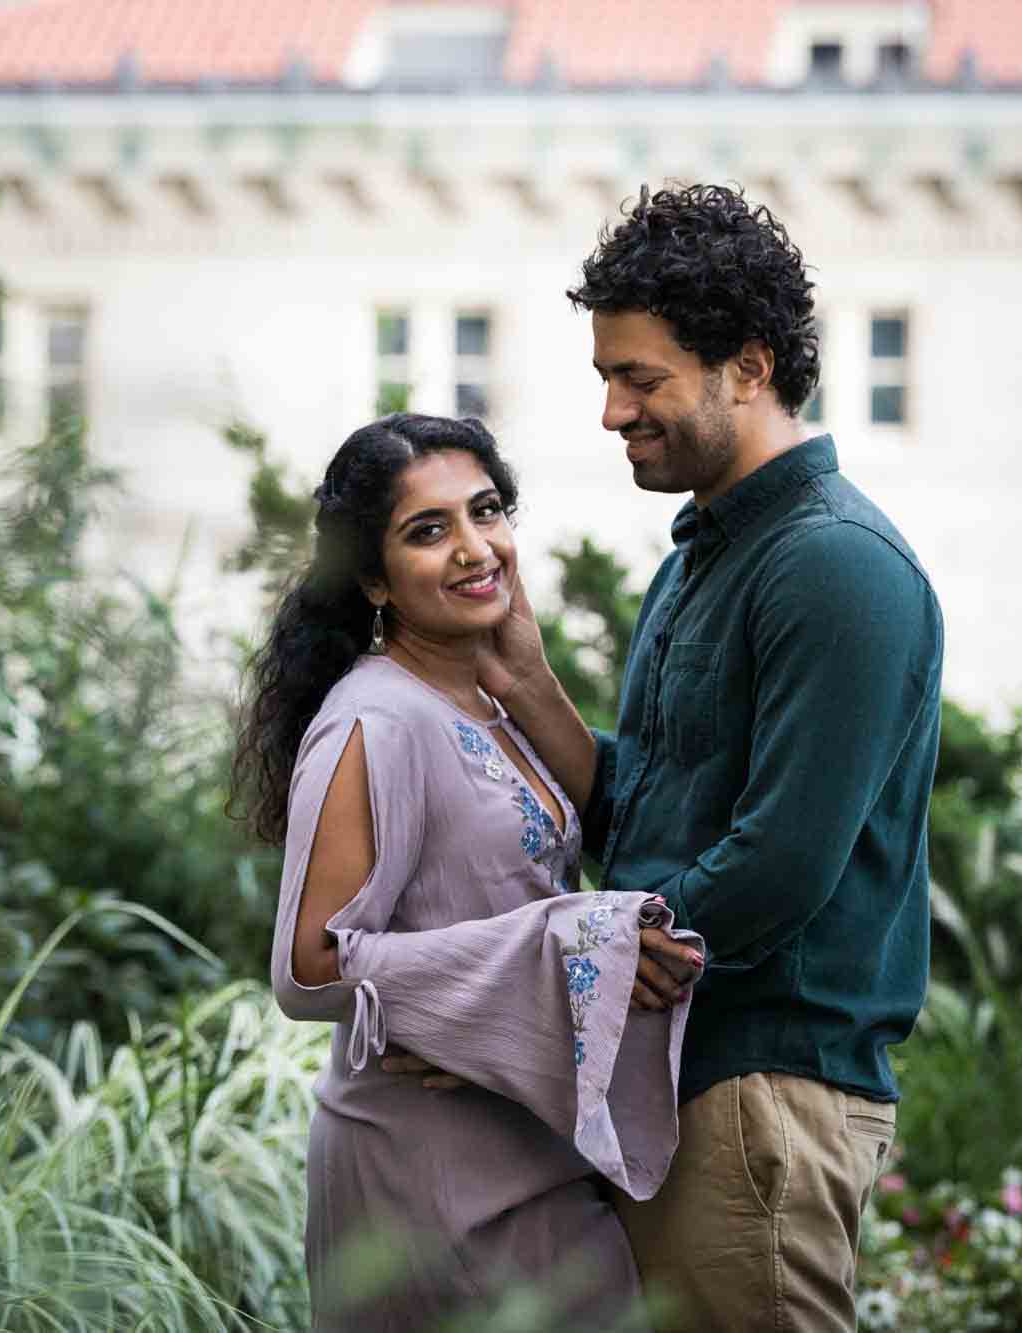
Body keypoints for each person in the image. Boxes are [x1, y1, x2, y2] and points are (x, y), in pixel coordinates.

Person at [477, 184, 946, 1331]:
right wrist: (525, 682)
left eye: (640, 379)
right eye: (604, 378)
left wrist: (587, 949)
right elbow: (640, 810)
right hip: (688, 1084)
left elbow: (777, 864)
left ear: (746, 364)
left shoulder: (833, 565)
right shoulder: (697, 561)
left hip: (762, 1090)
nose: (611, 412)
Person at [232, 412, 705, 1332]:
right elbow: (307, 968)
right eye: (428, 530)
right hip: (422, 1169)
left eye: (486, 512)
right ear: (372, 576)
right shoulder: (375, 721)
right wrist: (550, 949)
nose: (472, 548)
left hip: (529, 1147)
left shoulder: (489, 696)